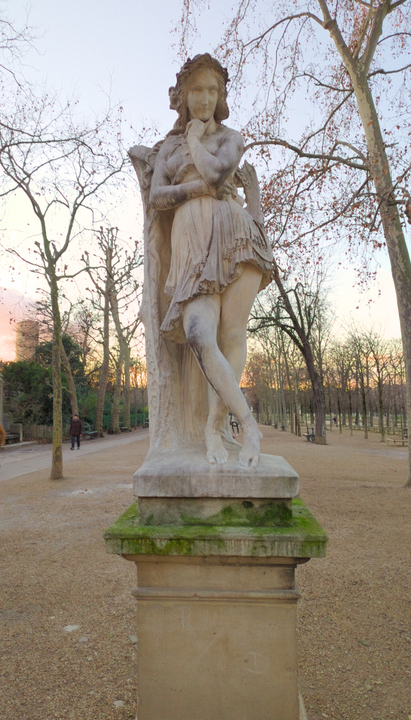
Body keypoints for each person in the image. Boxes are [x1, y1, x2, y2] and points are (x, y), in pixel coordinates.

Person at [144, 53, 273, 468]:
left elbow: (219, 175)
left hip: (236, 238)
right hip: (190, 241)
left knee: (232, 335)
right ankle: (246, 424)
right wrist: (195, 188)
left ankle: (219, 429)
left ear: (220, 97)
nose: (203, 98)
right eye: (195, 90)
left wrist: (197, 140)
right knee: (200, 334)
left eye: (211, 90)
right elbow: (157, 196)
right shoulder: (168, 147)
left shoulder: (230, 138)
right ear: (183, 95)